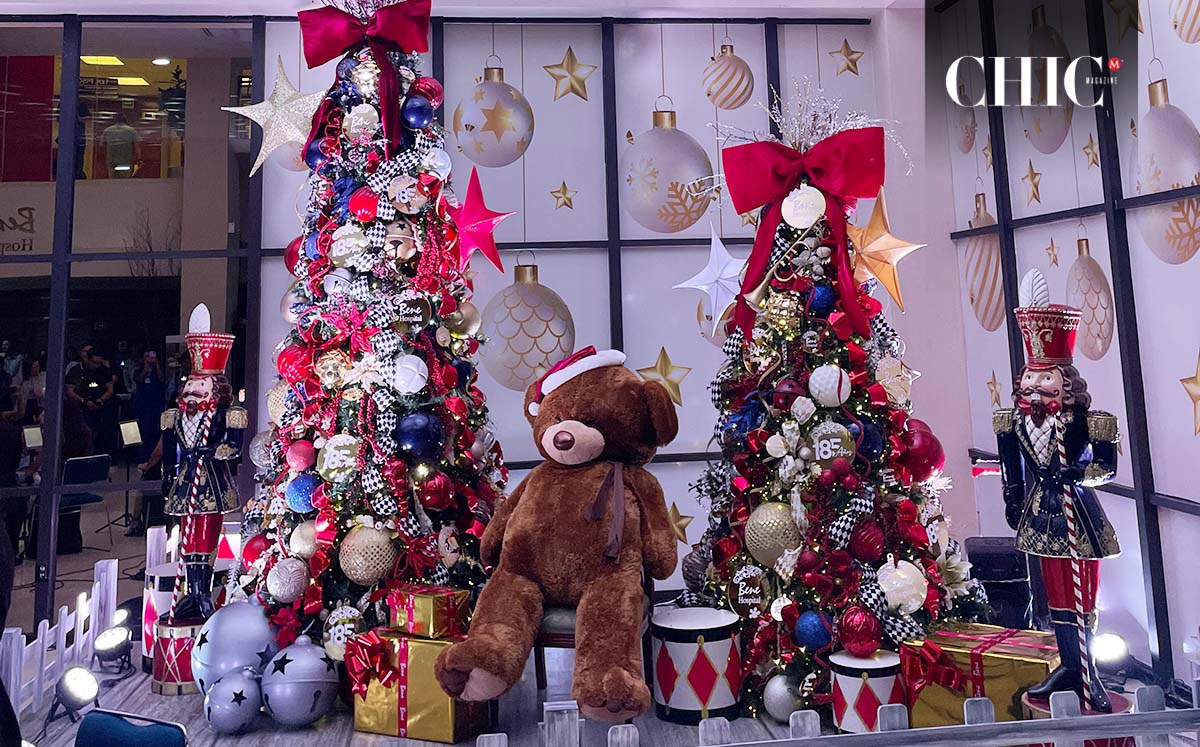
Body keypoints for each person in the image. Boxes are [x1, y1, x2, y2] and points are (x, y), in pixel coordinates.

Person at [994, 285, 1120, 713]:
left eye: (1044, 377)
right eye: (1030, 376)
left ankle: (1089, 671)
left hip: (1077, 514)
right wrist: (1011, 497)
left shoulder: (1088, 422)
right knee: (1056, 593)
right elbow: (1011, 464)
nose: (1034, 385)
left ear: (1064, 381)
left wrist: (1079, 474)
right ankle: (1067, 664)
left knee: (1084, 594)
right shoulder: (1013, 421)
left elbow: (1107, 468)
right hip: (1041, 515)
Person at [160, 305, 245, 622]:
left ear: (215, 389)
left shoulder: (226, 414)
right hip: (186, 478)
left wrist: (226, 449)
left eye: (200, 386)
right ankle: (190, 594)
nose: (193, 390)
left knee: (207, 534)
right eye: (191, 385)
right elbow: (172, 450)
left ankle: (202, 590)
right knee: (187, 535)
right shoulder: (177, 416)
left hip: (211, 479)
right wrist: (168, 473)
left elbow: (234, 444)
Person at [101, 112, 139, 179]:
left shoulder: (107, 130)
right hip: (126, 161)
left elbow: (102, 145)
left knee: (112, 181)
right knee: (124, 181)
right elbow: (137, 147)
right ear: (126, 120)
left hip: (111, 161)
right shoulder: (131, 131)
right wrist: (138, 158)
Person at [17, 357, 45, 426]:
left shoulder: (44, 376)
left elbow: (42, 393)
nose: (36, 369)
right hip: (25, 407)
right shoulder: (22, 378)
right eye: (33, 367)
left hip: (40, 405)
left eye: (37, 366)